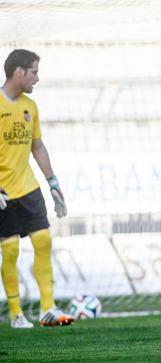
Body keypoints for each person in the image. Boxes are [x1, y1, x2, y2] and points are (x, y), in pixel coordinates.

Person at [0, 49, 73, 328]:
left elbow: (37, 146)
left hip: (29, 187)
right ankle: (16, 312)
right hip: (4, 192)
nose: (37, 78)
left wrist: (53, 183)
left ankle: (47, 308)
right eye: (34, 71)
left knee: (43, 240)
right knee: (10, 251)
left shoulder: (30, 106)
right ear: (18, 72)